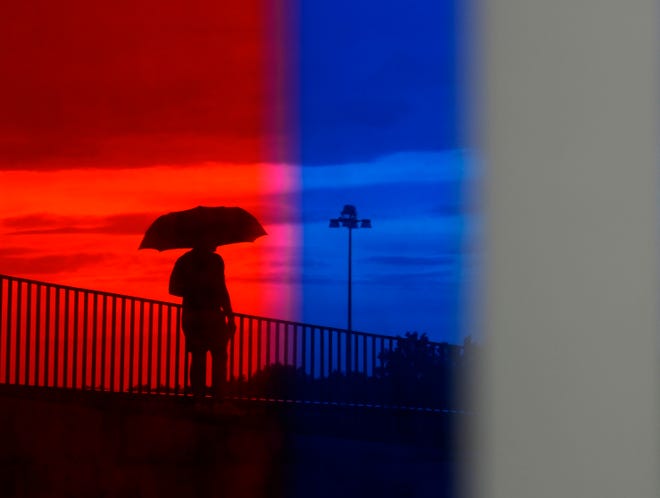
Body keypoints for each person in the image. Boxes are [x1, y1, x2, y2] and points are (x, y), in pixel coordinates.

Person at [168, 242, 236, 401]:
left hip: (199, 315)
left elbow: (221, 288)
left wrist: (230, 315)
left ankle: (208, 398)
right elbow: (174, 288)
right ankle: (210, 399)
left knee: (210, 357)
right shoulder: (204, 261)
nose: (217, 244)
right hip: (201, 315)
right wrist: (229, 315)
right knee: (208, 357)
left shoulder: (189, 260)